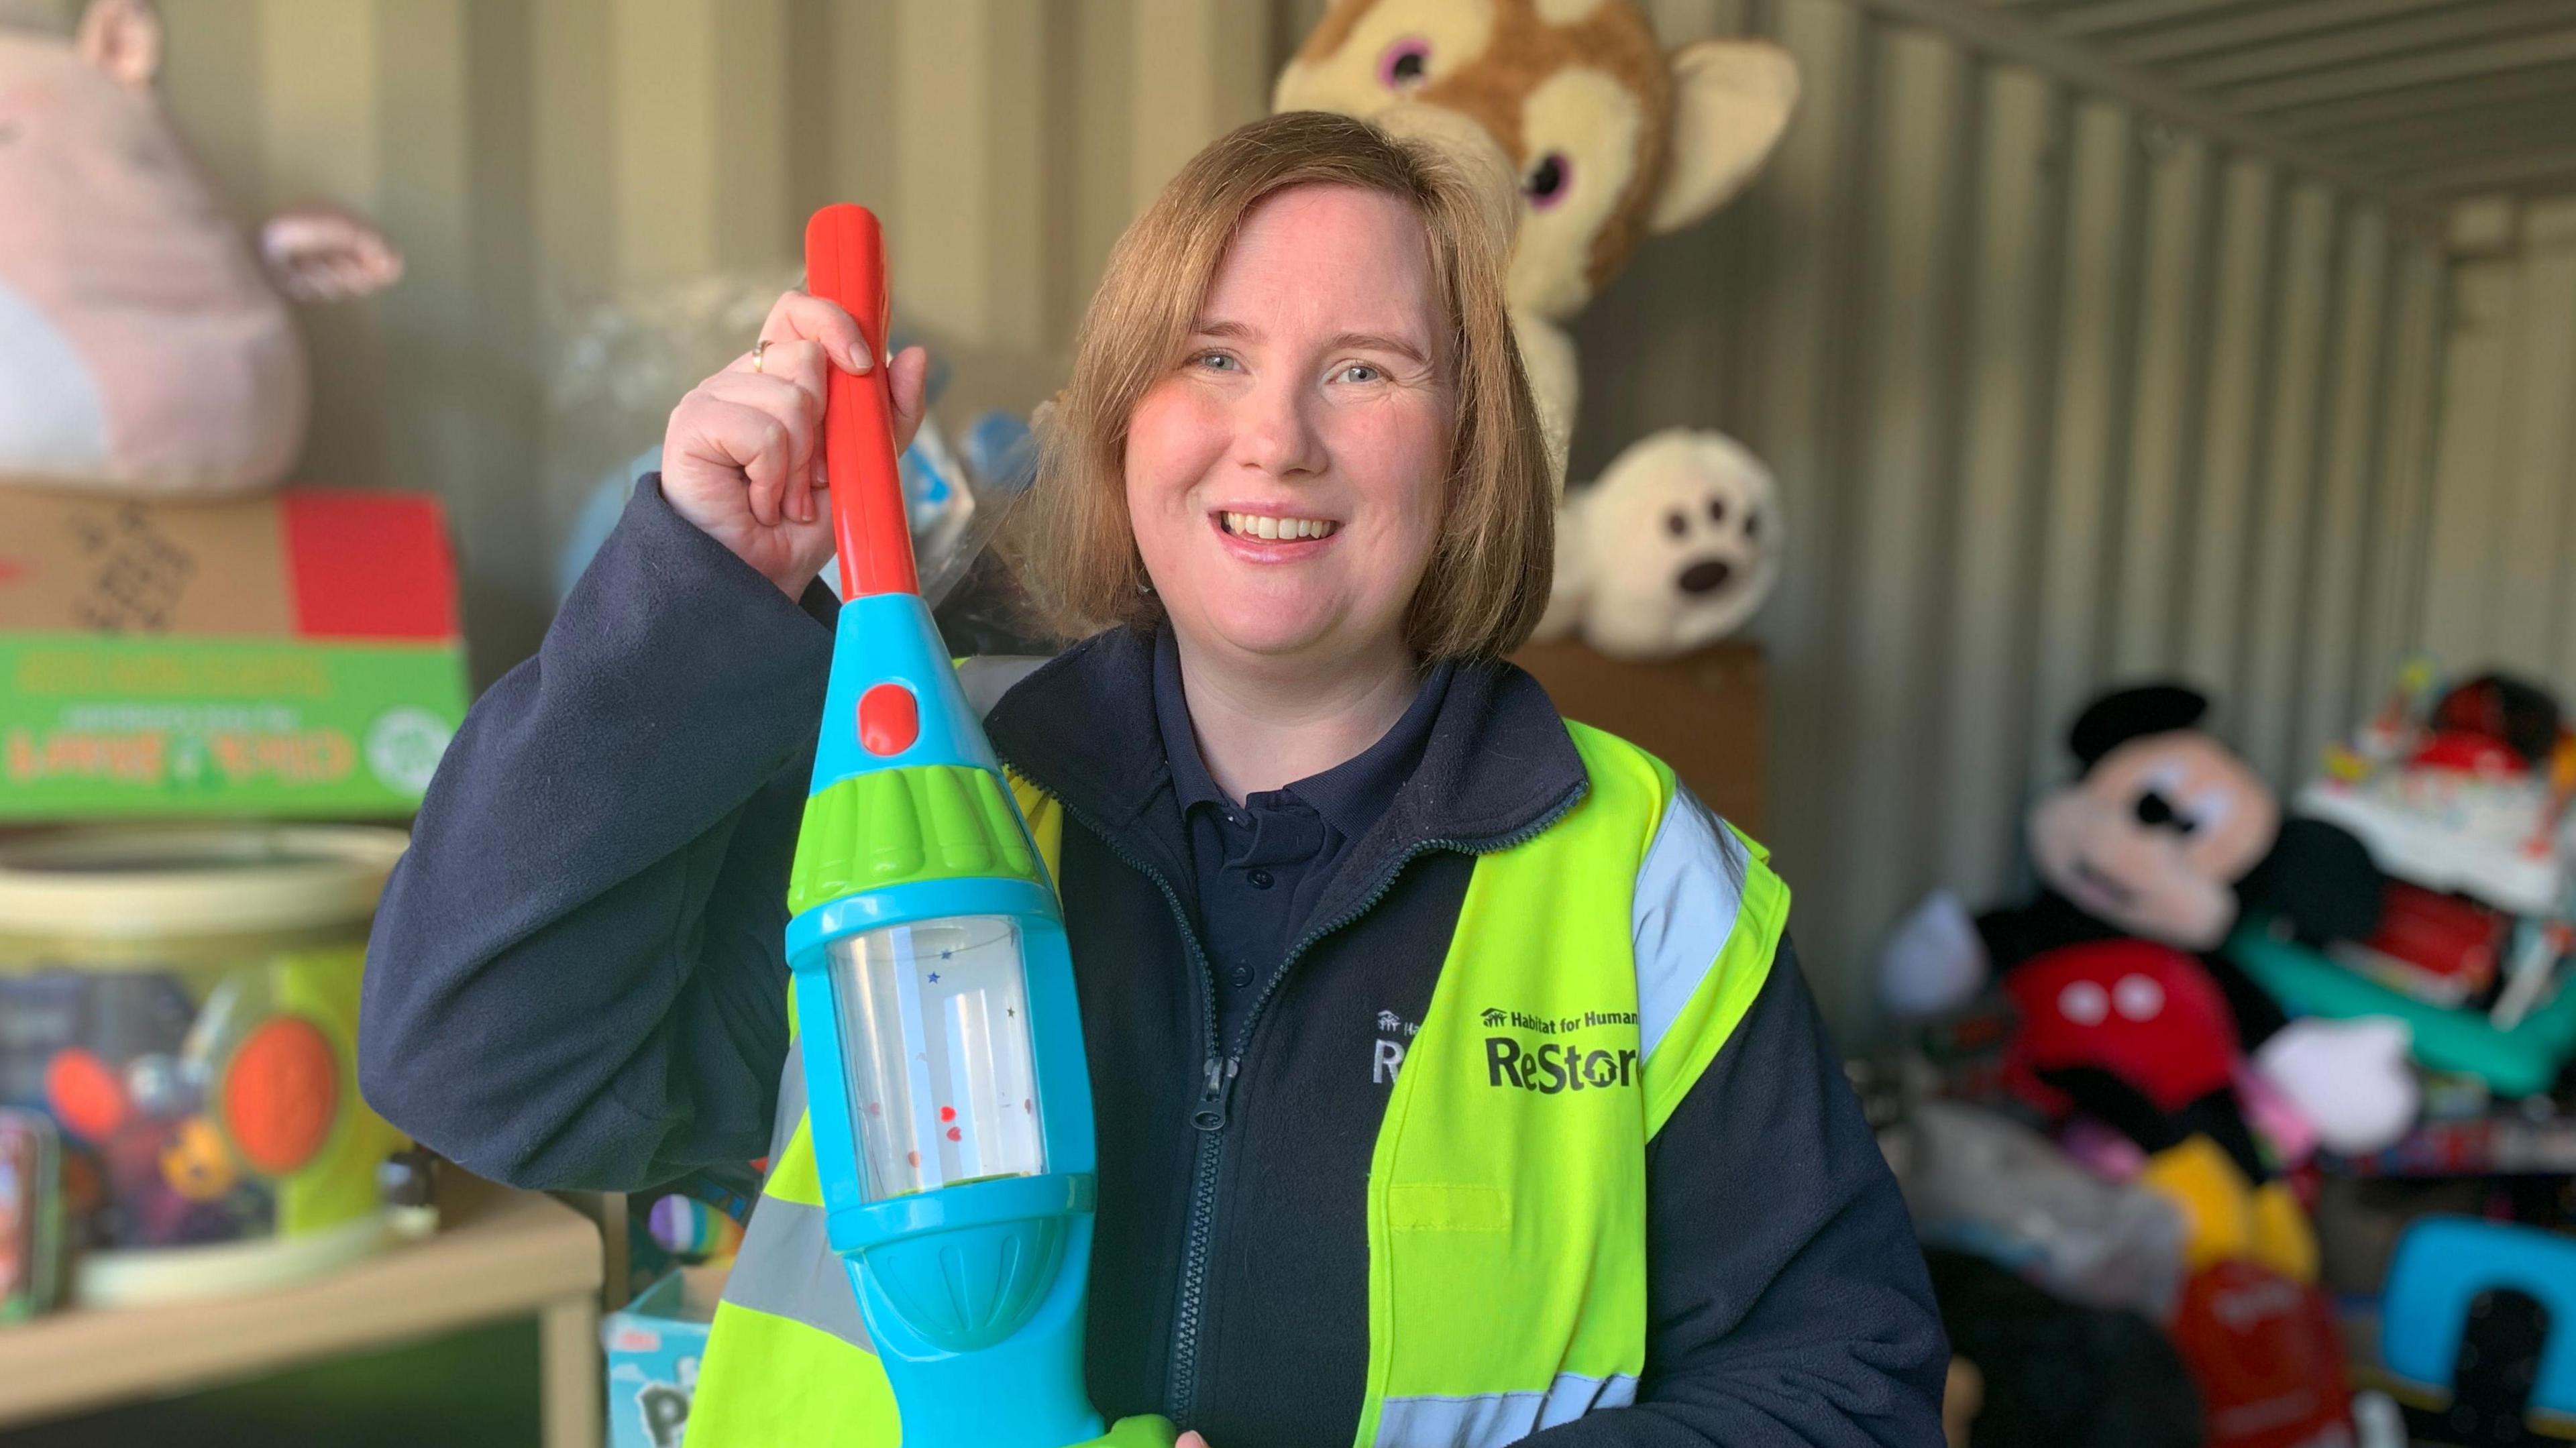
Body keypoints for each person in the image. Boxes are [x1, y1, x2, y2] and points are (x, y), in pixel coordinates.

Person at [360, 111, 1946, 1448]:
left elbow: (1852, 1384)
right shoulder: (910, 806)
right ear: (1123, 422)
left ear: (1469, 458)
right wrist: (696, 599)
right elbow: (473, 1059)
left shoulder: (1637, 879)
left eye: (1368, 371)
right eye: (1215, 357)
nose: (1278, 441)